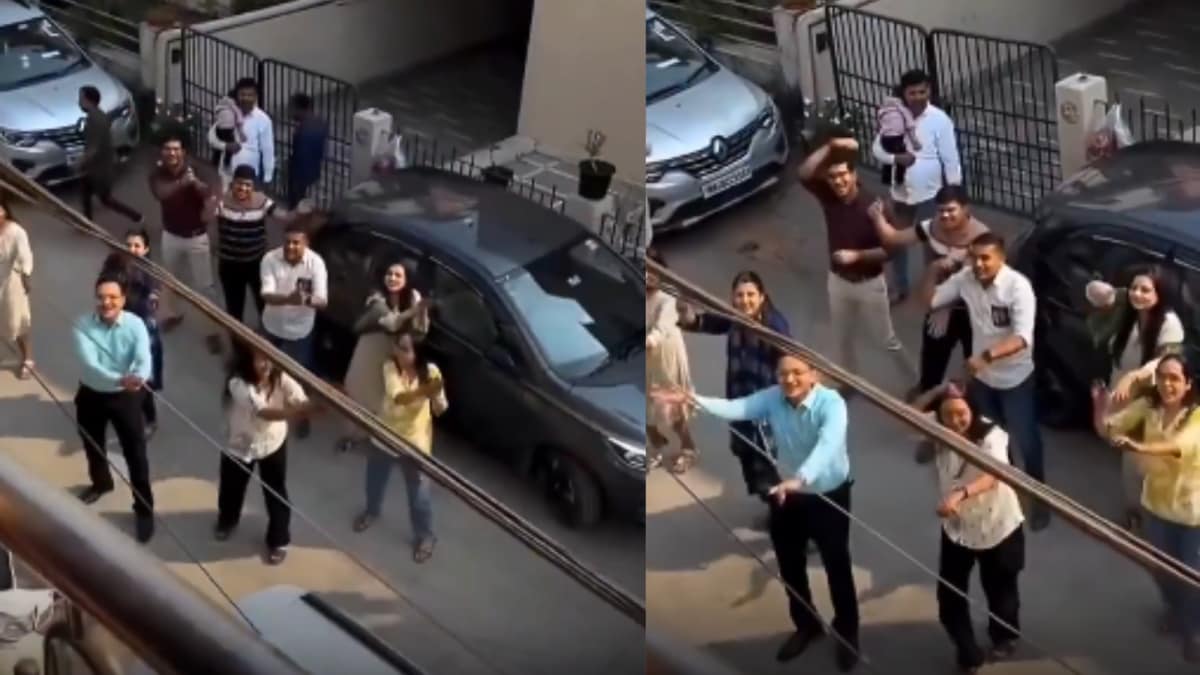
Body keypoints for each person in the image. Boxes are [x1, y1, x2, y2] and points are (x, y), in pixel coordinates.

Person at [652, 354, 860, 671]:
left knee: (837, 567)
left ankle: (847, 635)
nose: (789, 380)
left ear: (814, 374)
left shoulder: (832, 405)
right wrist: (690, 398)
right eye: (783, 374)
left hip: (827, 495)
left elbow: (828, 445)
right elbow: (739, 408)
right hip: (787, 494)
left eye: (797, 373)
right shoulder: (774, 398)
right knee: (790, 566)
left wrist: (799, 478)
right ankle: (807, 625)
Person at [922, 232, 1049, 531]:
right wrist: (932, 271)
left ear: (1001, 259)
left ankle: (1040, 498)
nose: (978, 264)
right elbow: (931, 300)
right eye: (973, 257)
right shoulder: (966, 279)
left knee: (1027, 439)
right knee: (993, 438)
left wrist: (986, 356)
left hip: (1015, 380)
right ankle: (1006, 484)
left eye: (985, 258)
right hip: (983, 380)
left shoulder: (1018, 288)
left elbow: (1022, 338)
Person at [913, 382, 1025, 672]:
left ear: (973, 411)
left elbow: (994, 473)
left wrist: (961, 494)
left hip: (997, 525)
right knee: (949, 596)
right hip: (957, 526)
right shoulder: (938, 424)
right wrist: (937, 391)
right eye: (948, 415)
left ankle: (1004, 637)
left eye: (962, 414)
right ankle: (968, 654)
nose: (956, 421)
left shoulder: (992, 435)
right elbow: (906, 414)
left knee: (1000, 591)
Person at [1095, 353, 1200, 663]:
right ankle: (1175, 609)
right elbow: (1110, 428)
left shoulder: (1196, 417)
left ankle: (1193, 629)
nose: (1167, 384)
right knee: (1161, 570)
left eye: (1175, 379)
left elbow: (1180, 446)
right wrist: (1102, 408)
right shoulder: (1148, 407)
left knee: (1190, 574)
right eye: (1163, 377)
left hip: (1192, 512)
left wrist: (1137, 446)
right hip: (1155, 505)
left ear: (1188, 383)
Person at [872, 186, 989, 462]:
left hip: (973, 313)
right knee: (930, 374)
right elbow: (894, 238)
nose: (945, 216)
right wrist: (878, 216)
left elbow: (984, 279)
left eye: (951, 210)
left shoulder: (981, 236)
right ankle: (931, 435)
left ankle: (974, 438)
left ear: (966, 210)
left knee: (976, 376)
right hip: (938, 307)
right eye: (941, 210)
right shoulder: (930, 228)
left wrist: (950, 298)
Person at [798, 136, 917, 395]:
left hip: (870, 285)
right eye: (832, 177)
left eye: (842, 175)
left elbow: (892, 250)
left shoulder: (874, 205)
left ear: (854, 174)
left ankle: (916, 383)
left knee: (887, 341)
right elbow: (804, 174)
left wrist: (857, 256)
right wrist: (830, 147)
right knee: (841, 338)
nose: (838, 181)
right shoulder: (829, 197)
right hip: (838, 282)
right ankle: (848, 381)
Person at [678, 271, 789, 507]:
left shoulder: (774, 326)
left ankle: (790, 522)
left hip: (767, 411)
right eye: (739, 295)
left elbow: (791, 365)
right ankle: (774, 509)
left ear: (762, 297)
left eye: (750, 295)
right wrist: (685, 313)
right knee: (749, 459)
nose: (745, 300)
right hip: (740, 404)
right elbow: (703, 322)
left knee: (772, 468)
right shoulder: (734, 317)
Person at [1086, 268, 1185, 531]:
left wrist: (1134, 377)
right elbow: (1094, 294)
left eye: (1145, 290)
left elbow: (1164, 361)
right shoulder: (1128, 311)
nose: (1137, 295)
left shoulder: (1169, 324)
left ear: (1160, 294)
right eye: (1134, 288)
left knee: (1137, 463)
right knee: (1122, 448)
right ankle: (1136, 514)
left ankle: (1142, 518)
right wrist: (1107, 292)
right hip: (1122, 392)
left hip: (1150, 401)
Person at [73, 274, 155, 543]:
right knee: (92, 444)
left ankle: (144, 510)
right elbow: (90, 364)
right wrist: (121, 378)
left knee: (136, 455)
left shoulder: (135, 324)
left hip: (126, 397)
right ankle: (101, 483)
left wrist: (138, 377)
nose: (106, 302)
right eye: (101, 297)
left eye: (112, 297)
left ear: (122, 300)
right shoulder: (82, 324)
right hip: (92, 393)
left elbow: (144, 358)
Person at [353, 332, 447, 566]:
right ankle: (372, 511)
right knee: (374, 481)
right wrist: (425, 391)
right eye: (398, 347)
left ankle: (425, 536)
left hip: (415, 445)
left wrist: (436, 397)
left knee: (419, 497)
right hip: (385, 436)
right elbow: (399, 398)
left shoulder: (431, 372)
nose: (399, 353)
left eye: (405, 349)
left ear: (417, 353)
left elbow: (440, 409)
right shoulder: (390, 367)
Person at [872, 69, 963, 304]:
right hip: (901, 193)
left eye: (923, 91)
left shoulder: (940, 119)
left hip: (930, 195)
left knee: (932, 245)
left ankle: (936, 291)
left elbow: (951, 158)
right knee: (896, 241)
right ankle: (900, 287)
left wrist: (954, 194)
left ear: (929, 91)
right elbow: (878, 149)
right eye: (913, 93)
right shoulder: (893, 117)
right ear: (904, 94)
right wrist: (895, 160)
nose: (919, 97)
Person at [219, 341, 311, 565]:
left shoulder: (281, 377)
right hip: (240, 444)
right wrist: (300, 411)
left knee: (276, 493)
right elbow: (264, 412)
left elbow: (299, 397)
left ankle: (278, 539)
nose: (266, 363)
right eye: (260, 358)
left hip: (272, 443)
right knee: (232, 487)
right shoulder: (238, 383)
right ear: (247, 361)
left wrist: (312, 404)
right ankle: (227, 521)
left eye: (269, 356)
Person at [338, 262, 430, 453]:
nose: (392, 278)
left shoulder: (410, 301)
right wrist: (413, 311)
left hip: (390, 360)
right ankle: (349, 436)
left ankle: (363, 435)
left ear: (407, 281)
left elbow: (420, 333)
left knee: (379, 401)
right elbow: (391, 323)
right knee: (358, 395)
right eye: (389, 273)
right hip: (369, 353)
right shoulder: (377, 300)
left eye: (398, 275)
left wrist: (421, 310)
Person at [148, 133, 222, 353]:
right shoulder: (157, 174)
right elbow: (163, 194)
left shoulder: (197, 171)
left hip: (197, 238)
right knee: (169, 280)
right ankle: (172, 314)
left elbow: (210, 194)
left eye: (176, 149)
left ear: (183, 152)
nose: (172, 153)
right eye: (168, 149)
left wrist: (198, 186)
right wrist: (184, 182)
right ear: (163, 152)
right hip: (171, 235)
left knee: (205, 287)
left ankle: (213, 331)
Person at [260, 221, 328, 438]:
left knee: (300, 377)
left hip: (300, 332)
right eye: (288, 242)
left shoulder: (316, 264)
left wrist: (306, 300)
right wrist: (289, 299)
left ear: (306, 243)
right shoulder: (270, 259)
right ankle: (266, 409)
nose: (291, 247)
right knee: (265, 370)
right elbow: (266, 295)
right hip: (272, 326)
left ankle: (302, 416)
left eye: (296, 243)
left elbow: (322, 300)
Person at [99, 230, 164, 438]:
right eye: (128, 245)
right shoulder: (115, 266)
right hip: (118, 328)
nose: (132, 249)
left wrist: (153, 299)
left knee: (142, 379)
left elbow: (155, 291)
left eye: (137, 245)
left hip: (142, 331)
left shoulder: (149, 271)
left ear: (145, 249)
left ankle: (150, 419)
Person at [216, 164, 293, 327]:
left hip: (256, 265)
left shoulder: (262, 201)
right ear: (233, 183)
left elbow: (283, 217)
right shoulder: (221, 202)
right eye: (239, 183)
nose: (243, 188)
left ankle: (265, 343)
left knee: (264, 305)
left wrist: (300, 213)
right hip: (230, 266)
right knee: (234, 310)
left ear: (253, 186)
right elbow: (205, 217)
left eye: (248, 185)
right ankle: (239, 349)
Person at [645, 248, 697, 472]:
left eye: (652, 271)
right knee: (644, 409)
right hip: (645, 359)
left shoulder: (668, 297)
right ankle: (656, 445)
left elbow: (661, 330)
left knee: (674, 410)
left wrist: (645, 341)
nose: (647, 276)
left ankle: (688, 449)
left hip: (666, 359)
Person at [77, 86, 144, 227]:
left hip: (98, 168)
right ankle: (87, 222)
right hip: (97, 166)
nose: (79, 102)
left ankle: (136, 217)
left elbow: (94, 148)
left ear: (88, 100)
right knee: (85, 192)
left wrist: (81, 162)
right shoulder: (99, 115)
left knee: (106, 199)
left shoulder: (95, 120)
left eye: (81, 98)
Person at [208, 77, 275, 190]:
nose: (246, 98)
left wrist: (267, 178)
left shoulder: (263, 120)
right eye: (242, 94)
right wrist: (225, 146)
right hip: (226, 174)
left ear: (256, 96)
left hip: (248, 176)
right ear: (237, 95)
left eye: (250, 95)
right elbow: (211, 137)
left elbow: (268, 150)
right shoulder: (226, 113)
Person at [0, 197, 34, 380]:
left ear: (4, 210)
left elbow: (25, 255)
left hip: (12, 282)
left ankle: (28, 359)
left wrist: (26, 276)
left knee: (18, 322)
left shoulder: (16, 231)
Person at [287, 93, 328, 209]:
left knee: (297, 205)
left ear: (299, 108)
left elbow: (301, 156)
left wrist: (291, 166)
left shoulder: (302, 131)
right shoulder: (321, 122)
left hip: (300, 174)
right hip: (315, 170)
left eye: (291, 108)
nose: (289, 112)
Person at [876, 86, 921, 192]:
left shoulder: (884, 107)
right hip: (896, 138)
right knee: (902, 158)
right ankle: (900, 181)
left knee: (889, 157)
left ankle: (886, 179)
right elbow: (910, 125)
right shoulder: (902, 108)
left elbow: (879, 121)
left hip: (885, 138)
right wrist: (915, 142)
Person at [211, 88, 245, 188]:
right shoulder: (233, 104)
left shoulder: (222, 103)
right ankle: (227, 161)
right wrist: (240, 123)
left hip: (220, 127)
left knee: (218, 147)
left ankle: (214, 163)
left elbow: (216, 111)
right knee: (230, 145)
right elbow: (238, 115)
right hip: (228, 128)